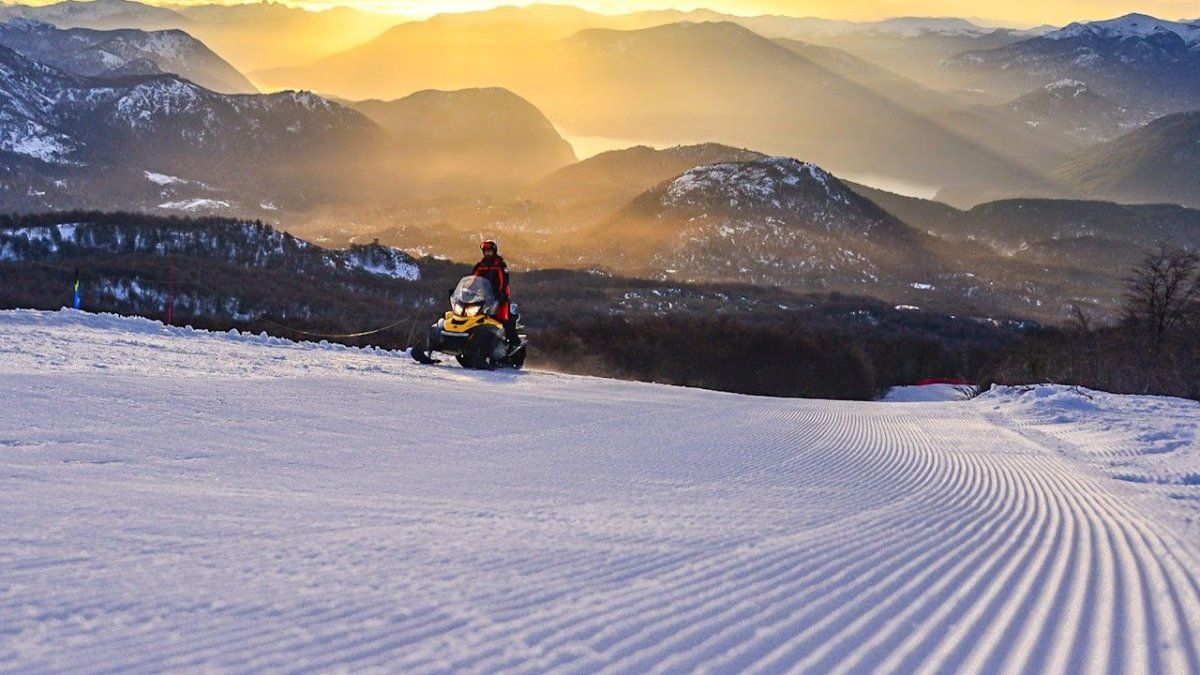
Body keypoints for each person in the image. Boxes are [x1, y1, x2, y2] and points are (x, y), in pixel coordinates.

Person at [472, 240, 521, 349]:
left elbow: (504, 280)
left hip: (500, 297)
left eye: (489, 251)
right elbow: (473, 279)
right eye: (486, 252)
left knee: (503, 320)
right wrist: (466, 291)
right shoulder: (480, 265)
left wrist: (501, 293)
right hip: (484, 297)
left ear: (494, 252)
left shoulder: (500, 264)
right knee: (474, 318)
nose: (487, 254)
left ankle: (512, 343)